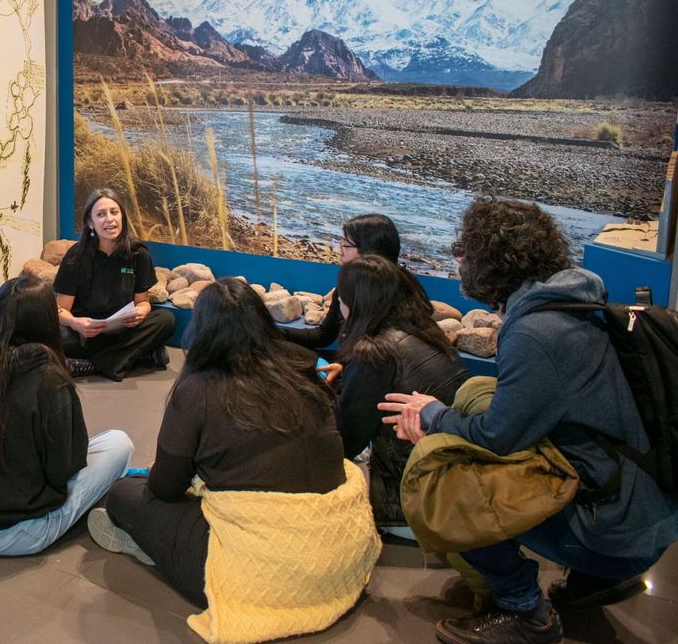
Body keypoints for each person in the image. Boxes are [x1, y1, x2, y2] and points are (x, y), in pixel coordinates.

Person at [379, 197, 678, 644]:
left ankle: (526, 612)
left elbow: (497, 437)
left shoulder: (535, 332)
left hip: (614, 530)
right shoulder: (573, 295)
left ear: (488, 263)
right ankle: (595, 581)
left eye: (464, 252)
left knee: (451, 486)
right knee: (478, 395)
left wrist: (432, 414)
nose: (458, 259)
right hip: (646, 508)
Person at [90, 278, 349, 607]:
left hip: (257, 562)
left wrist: (164, 473)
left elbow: (166, 488)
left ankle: (153, 546)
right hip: (328, 541)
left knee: (123, 492)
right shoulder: (303, 362)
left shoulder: (199, 389)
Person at [0, 275, 134, 556]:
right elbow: (64, 468)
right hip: (15, 534)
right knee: (118, 444)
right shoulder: (49, 376)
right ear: (46, 321)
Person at [335, 254, 468, 533]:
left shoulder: (374, 352)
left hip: (409, 498)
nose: (338, 303)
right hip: (451, 479)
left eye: (341, 297)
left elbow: (346, 443)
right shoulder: (424, 332)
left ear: (356, 302)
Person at [54, 188, 176, 381]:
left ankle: (91, 365)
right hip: (85, 333)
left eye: (114, 212)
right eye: (101, 214)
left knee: (166, 319)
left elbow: (143, 302)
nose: (109, 219)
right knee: (56, 335)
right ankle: (139, 354)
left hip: (123, 330)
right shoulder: (76, 257)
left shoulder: (138, 254)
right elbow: (60, 310)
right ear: (90, 223)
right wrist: (76, 323)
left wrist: (142, 311)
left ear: (122, 217)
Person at [281, 213, 422, 360]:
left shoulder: (398, 293)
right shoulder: (350, 283)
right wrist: (277, 332)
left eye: (346, 246)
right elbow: (325, 335)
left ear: (369, 251)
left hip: (374, 369)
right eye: (340, 243)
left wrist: (343, 368)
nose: (339, 251)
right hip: (355, 362)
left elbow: (388, 356)